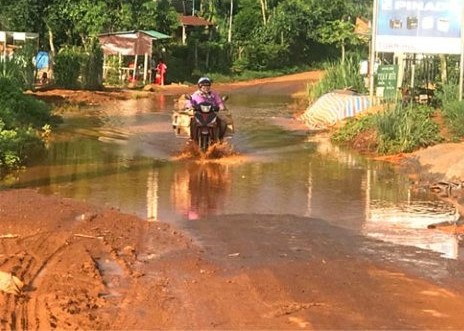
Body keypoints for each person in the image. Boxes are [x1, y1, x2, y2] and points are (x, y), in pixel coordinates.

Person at [185, 77, 227, 142]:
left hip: (212, 113)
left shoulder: (214, 94)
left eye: (207, 86)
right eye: (204, 87)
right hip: (199, 113)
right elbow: (190, 101)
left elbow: (219, 102)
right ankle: (192, 138)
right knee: (192, 122)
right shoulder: (195, 95)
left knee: (223, 123)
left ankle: (220, 138)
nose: (206, 88)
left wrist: (221, 107)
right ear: (200, 87)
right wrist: (189, 106)